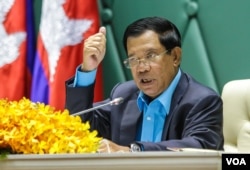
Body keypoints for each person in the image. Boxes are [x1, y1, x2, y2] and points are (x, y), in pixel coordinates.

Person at [65, 16, 224, 153]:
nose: (142, 68)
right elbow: (78, 126)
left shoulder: (203, 100)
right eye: (133, 60)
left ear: (175, 57)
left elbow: (198, 147)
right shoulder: (123, 95)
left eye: (151, 56)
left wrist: (133, 151)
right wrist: (88, 69)